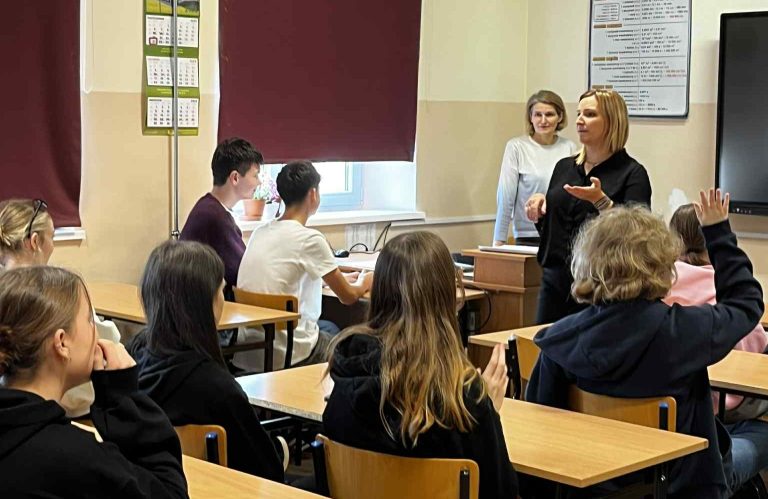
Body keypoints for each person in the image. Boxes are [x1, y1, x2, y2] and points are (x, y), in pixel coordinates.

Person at [526, 190, 768, 497]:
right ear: (662, 265)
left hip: (591, 490)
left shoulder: (559, 341)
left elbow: (539, 434)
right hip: (681, 488)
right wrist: (718, 231)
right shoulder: (683, 331)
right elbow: (746, 303)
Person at [322, 231, 517, 499]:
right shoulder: (462, 401)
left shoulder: (344, 379)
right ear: (448, 299)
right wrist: (488, 413)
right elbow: (499, 491)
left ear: (378, 292)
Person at [0, 266, 187, 498]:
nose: (96, 331)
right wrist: (124, 397)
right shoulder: (76, 457)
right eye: (89, 319)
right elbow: (170, 493)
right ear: (62, 343)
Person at [129, 240, 284, 482]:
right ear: (204, 304)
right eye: (221, 290)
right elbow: (267, 471)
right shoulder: (218, 388)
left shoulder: (130, 364)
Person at [525, 89, 652, 324]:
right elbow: (553, 230)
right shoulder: (564, 167)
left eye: (590, 114)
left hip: (602, 286)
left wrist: (601, 202)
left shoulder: (632, 174)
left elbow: (638, 237)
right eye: (578, 113)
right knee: (544, 351)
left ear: (612, 122)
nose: (579, 121)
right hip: (555, 280)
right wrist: (541, 210)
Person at [235, 160, 372, 371]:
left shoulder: (259, 233)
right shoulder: (310, 239)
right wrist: (364, 280)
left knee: (328, 326)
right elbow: (348, 297)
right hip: (287, 353)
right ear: (313, 194)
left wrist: (338, 279)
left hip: (249, 351)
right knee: (346, 340)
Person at [0, 198, 121, 418]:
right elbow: (107, 339)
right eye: (52, 237)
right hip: (67, 408)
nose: (53, 245)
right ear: (35, 242)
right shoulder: (52, 293)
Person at [667, 203, 768, 421]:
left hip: (673, 404)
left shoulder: (657, 283)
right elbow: (756, 347)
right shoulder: (729, 288)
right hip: (725, 405)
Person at [180, 137, 263, 300]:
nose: (259, 182)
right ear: (235, 178)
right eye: (255, 175)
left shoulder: (207, 206)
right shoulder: (216, 218)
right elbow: (244, 275)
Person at [493, 90, 577, 246]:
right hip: (528, 234)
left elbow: (571, 195)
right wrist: (498, 242)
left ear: (560, 117)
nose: (543, 120)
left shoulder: (569, 147)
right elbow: (506, 197)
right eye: (538, 114)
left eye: (550, 114)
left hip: (561, 233)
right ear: (530, 118)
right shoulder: (516, 147)